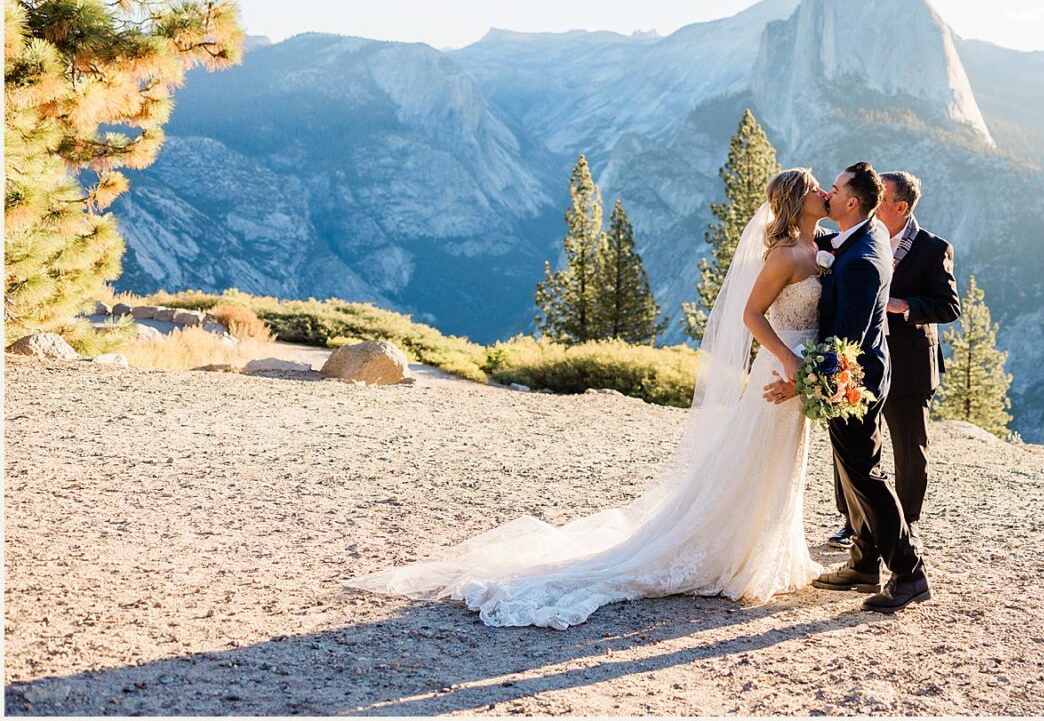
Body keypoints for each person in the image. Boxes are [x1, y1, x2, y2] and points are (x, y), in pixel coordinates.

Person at [342, 168, 830, 628]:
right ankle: (733, 551)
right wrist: (789, 359)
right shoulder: (784, 255)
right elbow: (750, 315)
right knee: (756, 457)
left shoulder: (819, 247)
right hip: (780, 368)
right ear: (795, 200)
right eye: (813, 187)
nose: (823, 191)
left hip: (804, 371)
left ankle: (771, 549)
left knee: (783, 460)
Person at [770, 161, 930, 612]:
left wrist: (801, 383)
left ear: (852, 202)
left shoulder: (860, 262)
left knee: (864, 475)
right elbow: (828, 244)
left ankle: (909, 572)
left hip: (852, 381)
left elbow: (846, 343)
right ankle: (863, 563)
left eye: (836, 190)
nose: (828, 192)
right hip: (867, 373)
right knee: (852, 470)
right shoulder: (866, 232)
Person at [823, 170, 959, 553]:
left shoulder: (934, 248)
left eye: (880, 197)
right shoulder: (857, 239)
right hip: (864, 361)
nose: (872, 201)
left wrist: (904, 305)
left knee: (910, 449)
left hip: (910, 364)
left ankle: (907, 523)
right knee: (855, 444)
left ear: (900, 207)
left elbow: (949, 307)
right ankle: (853, 522)